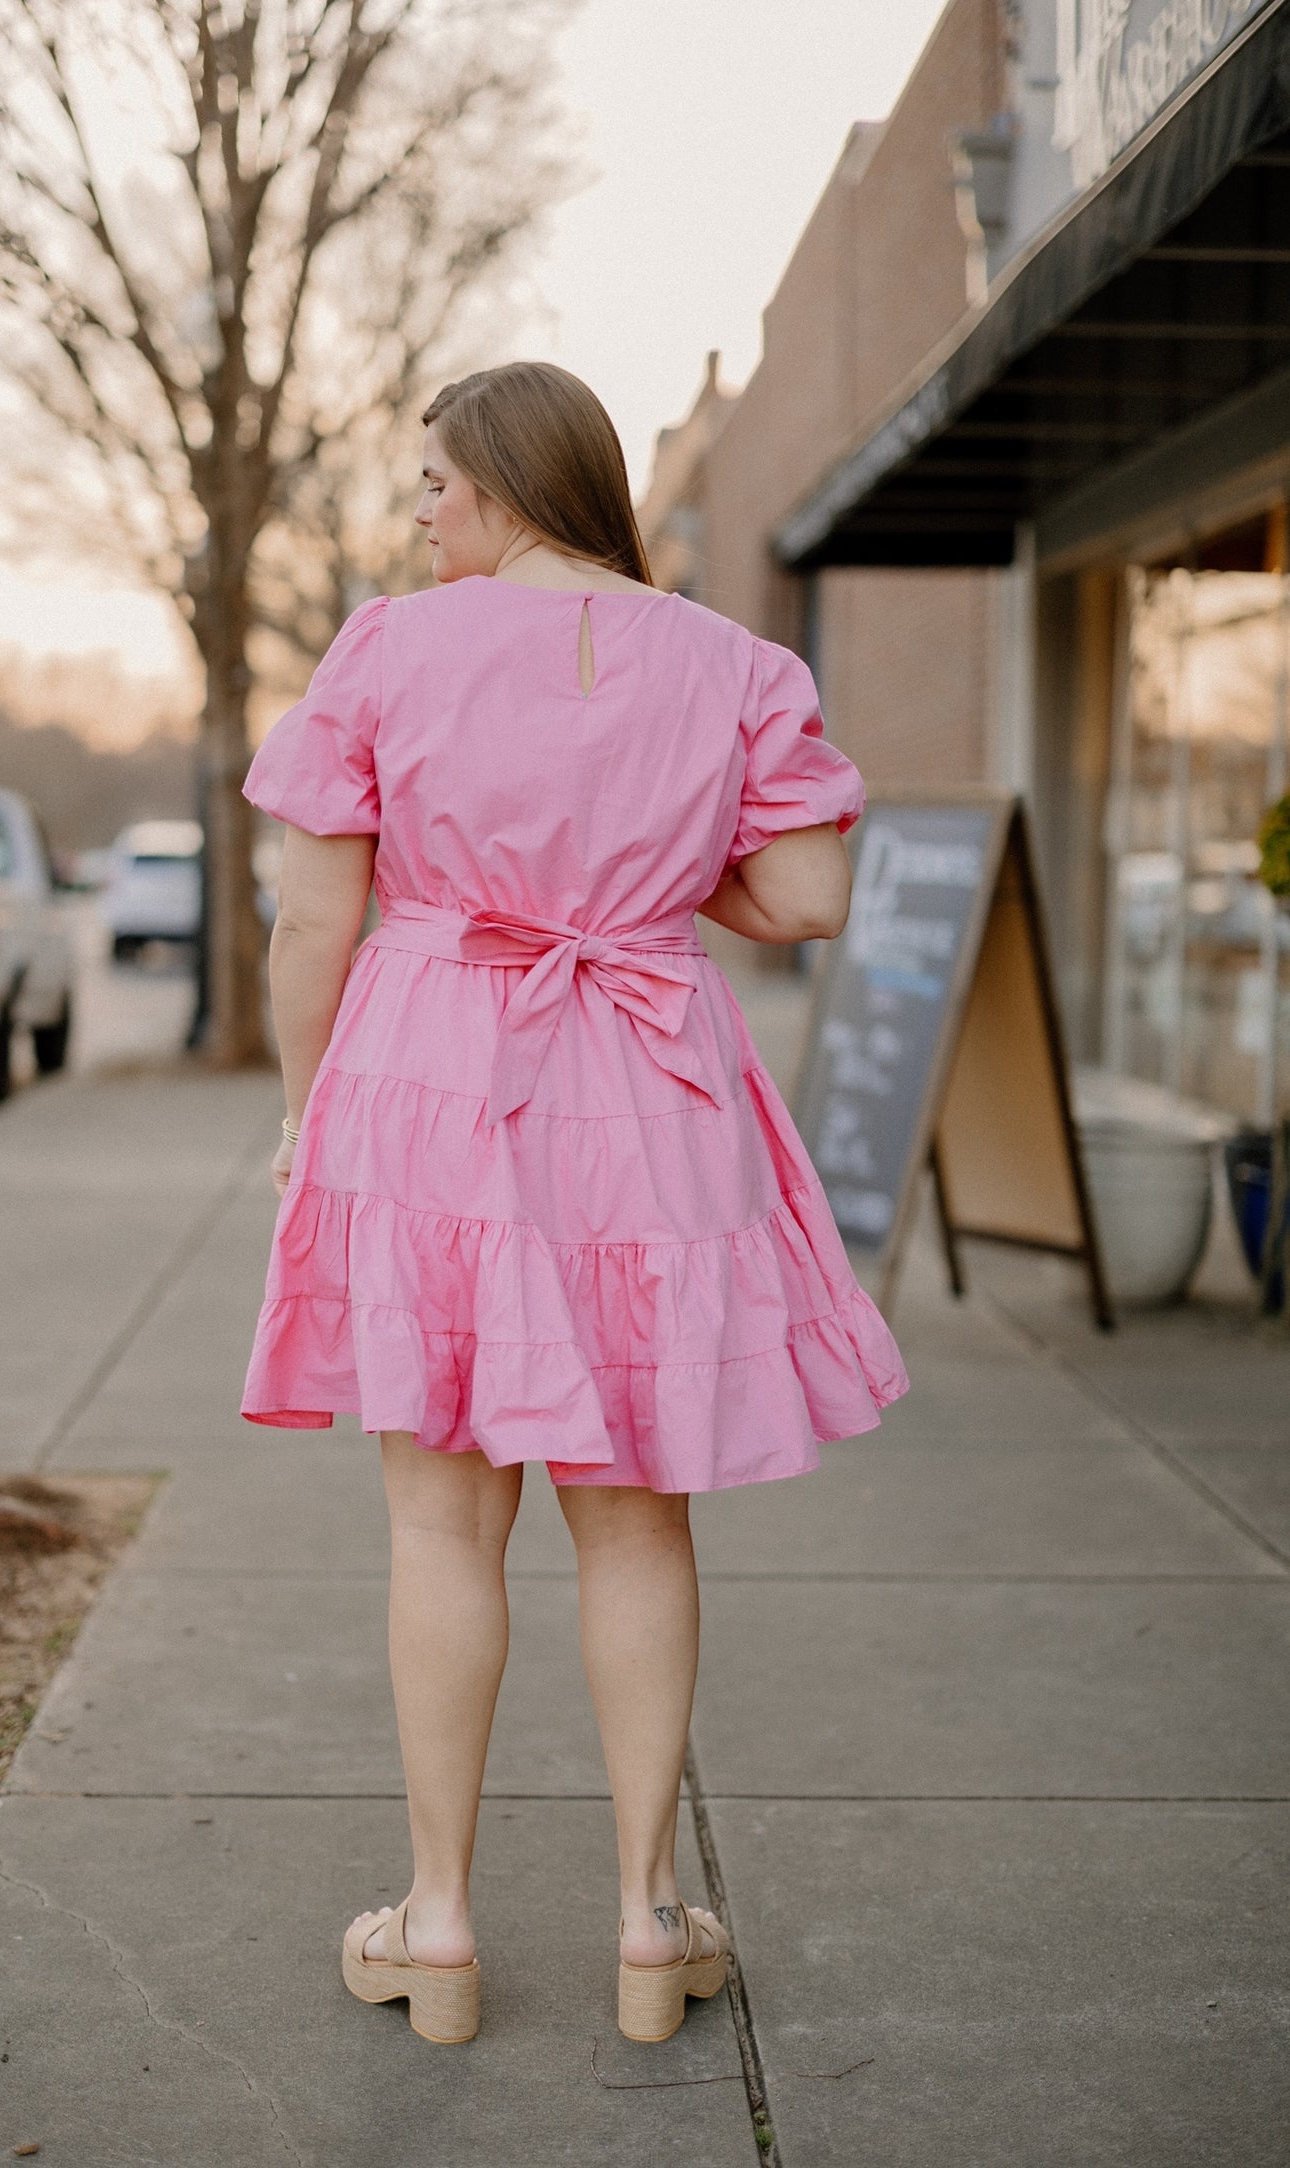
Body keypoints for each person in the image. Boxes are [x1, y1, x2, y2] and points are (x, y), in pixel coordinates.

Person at [240, 361, 908, 2047]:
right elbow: (812, 893)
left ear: (502, 485)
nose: (417, 513)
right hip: (649, 1084)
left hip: (430, 1089)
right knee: (637, 1517)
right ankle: (641, 1927)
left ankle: (442, 1928)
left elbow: (316, 925)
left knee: (438, 1522)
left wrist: (305, 1109)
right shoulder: (742, 665)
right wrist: (654, 890)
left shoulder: (389, 652)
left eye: (432, 484)